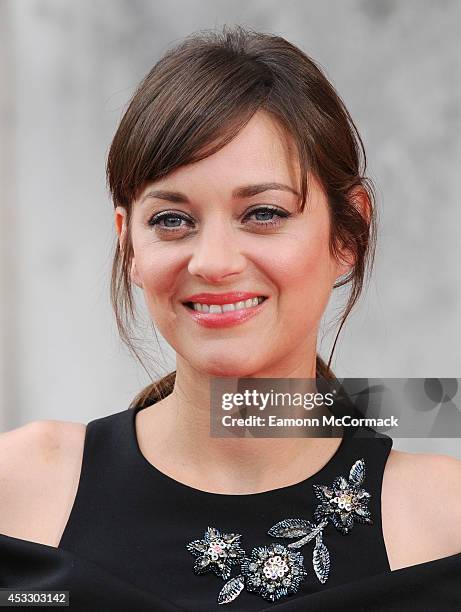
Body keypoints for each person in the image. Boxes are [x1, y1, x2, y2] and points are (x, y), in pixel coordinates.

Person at [1, 25, 460, 611]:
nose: (214, 262)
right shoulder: (19, 489)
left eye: (263, 213)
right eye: (172, 220)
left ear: (349, 231)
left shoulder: (444, 523)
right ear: (129, 244)